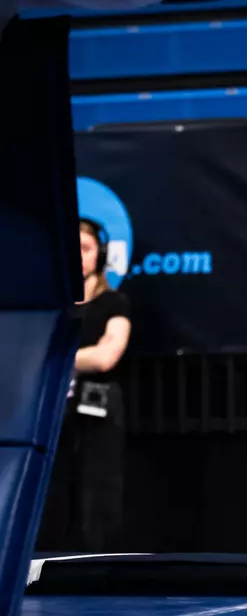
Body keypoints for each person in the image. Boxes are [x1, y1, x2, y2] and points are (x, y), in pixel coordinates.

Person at [38, 219, 132, 552]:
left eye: (86, 249)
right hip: (50, 408)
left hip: (98, 409)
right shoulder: (50, 308)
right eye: (72, 250)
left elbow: (107, 356)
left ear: (100, 255)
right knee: (50, 491)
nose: (79, 257)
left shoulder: (113, 303)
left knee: (98, 491)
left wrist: (53, 356)